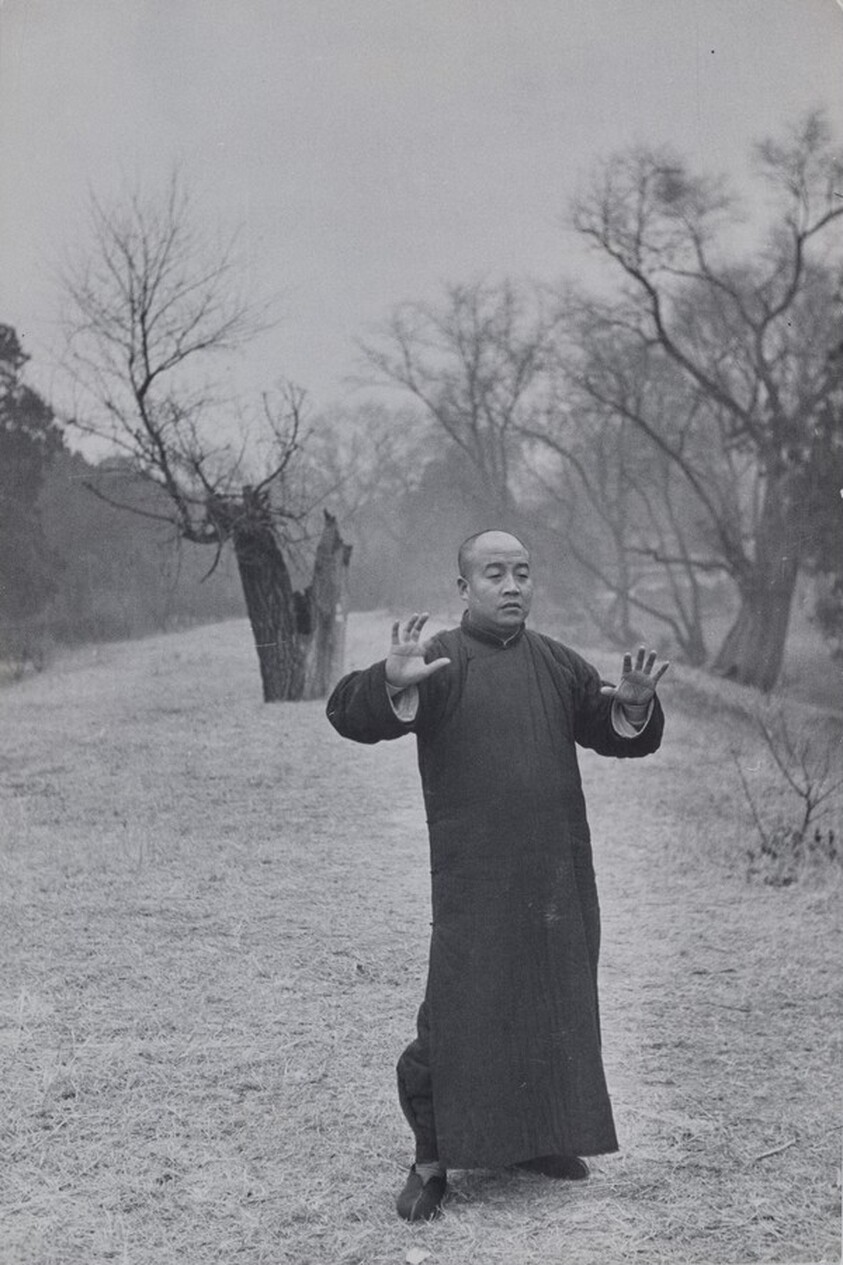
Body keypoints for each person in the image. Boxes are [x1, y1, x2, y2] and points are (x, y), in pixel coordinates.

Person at [326, 530, 667, 1222]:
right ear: (463, 589)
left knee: (548, 997)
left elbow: (606, 727)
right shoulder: (440, 660)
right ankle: (429, 1160)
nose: (512, 586)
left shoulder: (554, 661)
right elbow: (347, 711)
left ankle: (535, 1140)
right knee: (460, 1009)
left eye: (521, 573)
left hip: (554, 868)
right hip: (474, 872)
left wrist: (629, 707)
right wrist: (387, 683)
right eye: (493, 574)